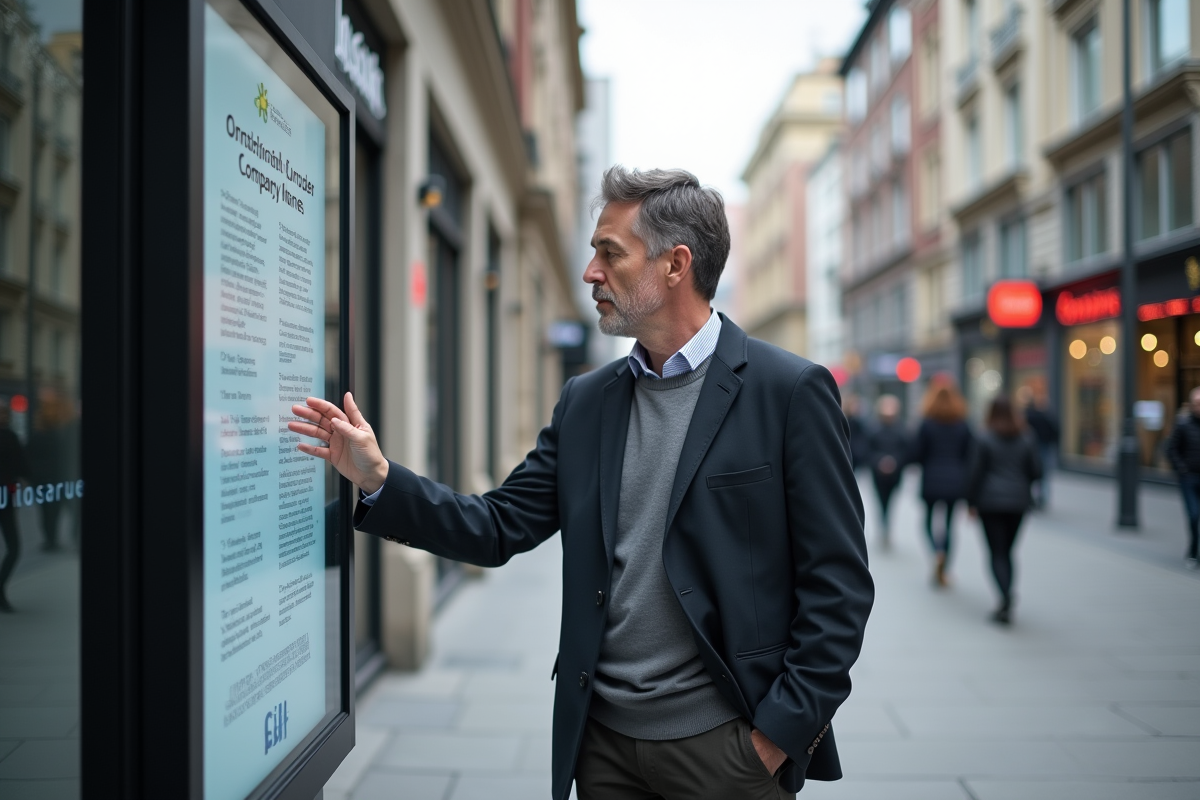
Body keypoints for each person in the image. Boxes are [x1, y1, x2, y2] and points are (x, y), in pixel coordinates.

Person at [291, 167, 874, 800]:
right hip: (600, 748)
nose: (591, 272)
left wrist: (777, 739)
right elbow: (496, 527)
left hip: (728, 750)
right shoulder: (588, 401)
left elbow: (838, 586)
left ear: (676, 265)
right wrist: (378, 478)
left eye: (609, 253)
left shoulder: (788, 391)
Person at [968, 397, 1042, 624]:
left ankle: (1004, 596)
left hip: (990, 503)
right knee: (1008, 552)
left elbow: (974, 473)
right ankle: (1007, 594)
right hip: (1018, 502)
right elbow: (1037, 471)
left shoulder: (984, 437)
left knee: (996, 552)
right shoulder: (1027, 437)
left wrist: (970, 502)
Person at [910, 384, 973, 587]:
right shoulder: (962, 424)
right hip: (956, 480)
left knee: (928, 520)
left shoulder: (927, 424)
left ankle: (936, 551)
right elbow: (970, 454)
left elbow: (917, 453)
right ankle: (945, 564)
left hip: (931, 478)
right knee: (949, 524)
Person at [865, 394, 907, 547]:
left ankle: (887, 527)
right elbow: (867, 450)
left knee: (891, 501)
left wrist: (895, 461)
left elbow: (906, 450)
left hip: (895, 474)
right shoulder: (873, 428)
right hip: (878, 473)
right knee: (880, 501)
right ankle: (883, 527)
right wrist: (880, 462)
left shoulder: (901, 428)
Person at [1166, 386, 1200, 569]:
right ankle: (1194, 550)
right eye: (1197, 403)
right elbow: (1171, 449)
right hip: (1189, 479)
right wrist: (1182, 469)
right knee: (1194, 515)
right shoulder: (1183, 424)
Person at [0, 404, 29, 612]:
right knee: (14, 547)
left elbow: (22, 466)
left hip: (7, 497)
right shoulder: (10, 437)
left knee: (14, 547)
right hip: (6, 497)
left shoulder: (11, 436)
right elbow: (22, 466)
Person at [1022, 388, 1059, 509]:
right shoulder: (1043, 415)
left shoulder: (1025, 417)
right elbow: (1055, 431)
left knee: (1029, 473)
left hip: (1032, 448)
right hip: (1045, 447)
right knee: (1044, 474)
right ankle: (1042, 499)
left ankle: (1032, 497)